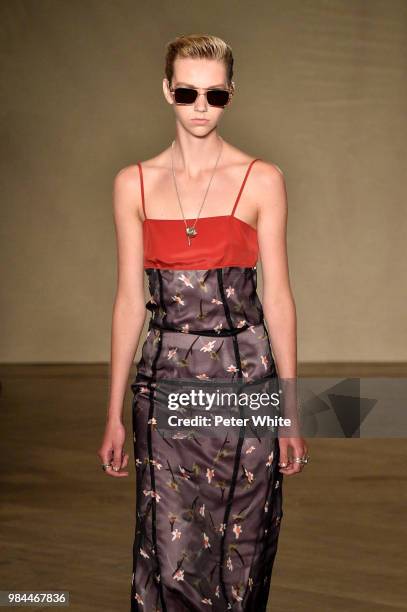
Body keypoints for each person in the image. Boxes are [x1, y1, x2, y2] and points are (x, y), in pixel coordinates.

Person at [98, 33, 309, 611]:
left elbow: (280, 299)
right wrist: (113, 411)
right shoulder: (133, 184)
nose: (199, 106)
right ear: (167, 90)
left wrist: (289, 409)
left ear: (230, 96)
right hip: (163, 387)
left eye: (214, 95)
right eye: (188, 91)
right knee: (168, 551)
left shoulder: (261, 179)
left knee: (242, 551)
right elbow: (126, 302)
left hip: (248, 387)